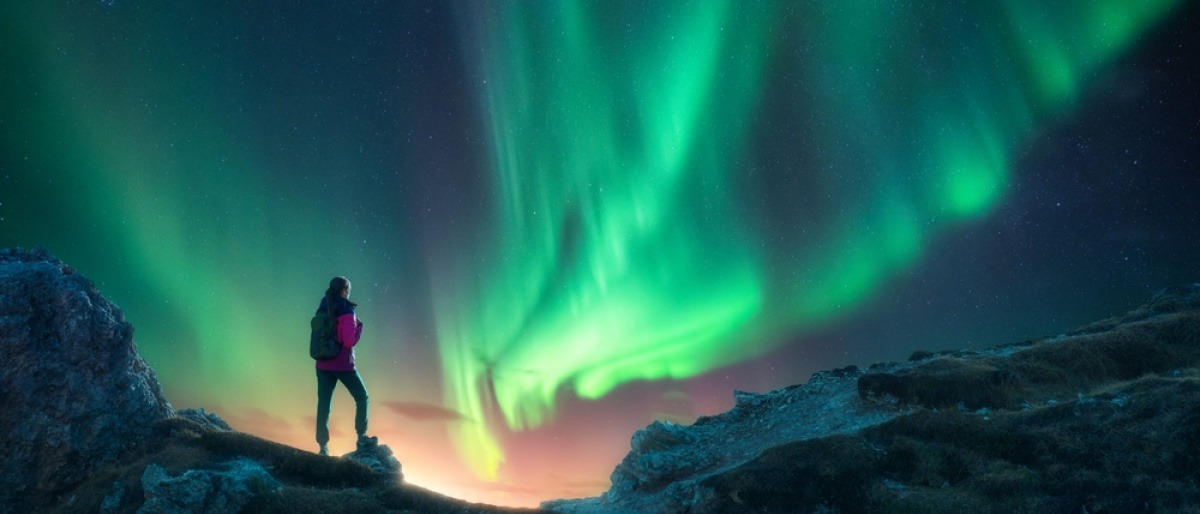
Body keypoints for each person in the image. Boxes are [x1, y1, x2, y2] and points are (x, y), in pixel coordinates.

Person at [314, 276, 377, 456]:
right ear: (344, 290)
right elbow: (348, 341)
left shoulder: (322, 306)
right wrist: (359, 328)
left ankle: (323, 447)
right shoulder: (346, 309)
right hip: (342, 364)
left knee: (324, 404)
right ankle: (362, 438)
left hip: (322, 363)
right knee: (362, 397)